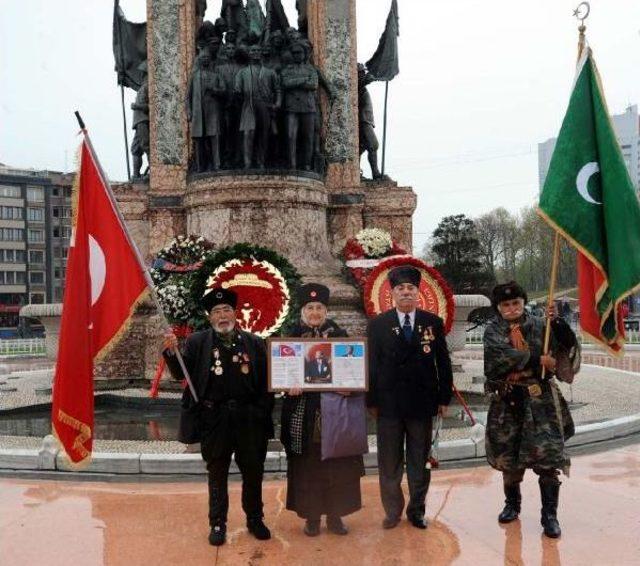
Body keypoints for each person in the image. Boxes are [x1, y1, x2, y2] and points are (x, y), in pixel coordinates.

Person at [163, 288, 274, 546]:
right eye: (216, 312)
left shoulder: (254, 343)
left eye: (226, 310)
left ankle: (255, 518)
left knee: (253, 471)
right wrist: (171, 352)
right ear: (210, 317)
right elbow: (182, 374)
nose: (222, 315)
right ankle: (217, 522)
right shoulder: (197, 342)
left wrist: (260, 412)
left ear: (235, 314)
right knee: (217, 473)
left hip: (249, 419)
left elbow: (267, 384)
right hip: (215, 419)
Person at [483, 281, 579, 538]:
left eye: (516, 303)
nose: (512, 309)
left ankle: (550, 515)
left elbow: (566, 347)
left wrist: (557, 323)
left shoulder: (540, 325)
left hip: (541, 404)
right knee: (510, 459)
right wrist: (537, 360)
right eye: (506, 305)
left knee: (549, 459)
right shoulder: (492, 330)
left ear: (523, 302)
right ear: (498, 308)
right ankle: (512, 504)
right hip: (508, 403)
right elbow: (499, 358)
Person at [367, 265, 453, 530]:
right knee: (389, 461)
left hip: (421, 403)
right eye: (400, 289)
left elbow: (443, 362)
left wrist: (443, 399)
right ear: (392, 293)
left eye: (411, 289)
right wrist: (371, 400)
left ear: (418, 293)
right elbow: (371, 364)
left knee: (419, 459)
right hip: (389, 405)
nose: (406, 293)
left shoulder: (432, 323)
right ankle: (392, 511)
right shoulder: (378, 325)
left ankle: (416, 510)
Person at [280, 283, 365, 536]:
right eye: (310, 307)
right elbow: (279, 375)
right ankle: (312, 518)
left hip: (336, 413)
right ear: (303, 311)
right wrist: (288, 387)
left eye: (319, 308)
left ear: (325, 311)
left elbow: (356, 373)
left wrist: (351, 388)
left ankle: (336, 516)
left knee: (338, 466)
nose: (315, 312)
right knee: (308, 467)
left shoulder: (341, 336)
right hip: (303, 413)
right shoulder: (289, 337)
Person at [234, 44, 281, 169]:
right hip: (248, 105)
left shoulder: (270, 72)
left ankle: (261, 162)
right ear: (249, 53)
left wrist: (278, 103)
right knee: (248, 133)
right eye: (253, 50)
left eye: (258, 50)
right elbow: (237, 89)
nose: (256, 52)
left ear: (261, 53)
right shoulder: (242, 72)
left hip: (265, 105)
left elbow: (277, 90)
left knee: (263, 134)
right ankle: (247, 163)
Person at [280, 42, 318, 170]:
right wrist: (302, 80)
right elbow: (285, 83)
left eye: (299, 52)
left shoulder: (310, 69)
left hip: (308, 107)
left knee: (307, 137)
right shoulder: (287, 69)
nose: (297, 55)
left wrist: (295, 82)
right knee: (291, 136)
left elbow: (313, 84)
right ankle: (292, 164)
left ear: (304, 54)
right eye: (294, 53)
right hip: (292, 107)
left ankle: (306, 164)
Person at [130, 61, 149, 179]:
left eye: (142, 73)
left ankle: (155, 173)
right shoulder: (142, 87)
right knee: (135, 149)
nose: (140, 75)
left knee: (146, 145)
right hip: (138, 122)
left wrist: (137, 106)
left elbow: (152, 106)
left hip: (143, 120)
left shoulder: (148, 86)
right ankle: (136, 175)